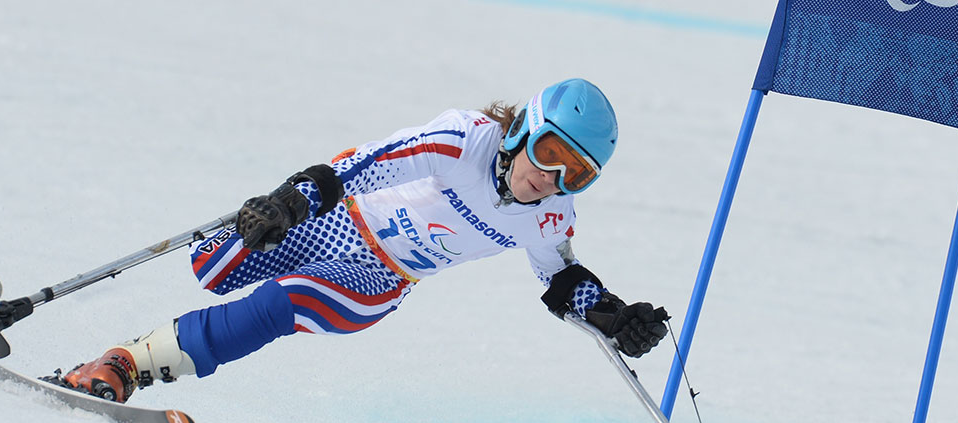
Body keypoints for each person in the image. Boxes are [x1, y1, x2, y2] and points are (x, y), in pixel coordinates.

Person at [59, 78, 670, 403]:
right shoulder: (465, 141)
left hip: (380, 277)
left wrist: (612, 316)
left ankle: (127, 365)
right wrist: (291, 201)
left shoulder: (550, 216)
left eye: (576, 174)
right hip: (339, 219)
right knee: (213, 267)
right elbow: (368, 164)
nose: (552, 178)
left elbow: (560, 276)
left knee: (285, 304)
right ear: (524, 131)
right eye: (550, 152)